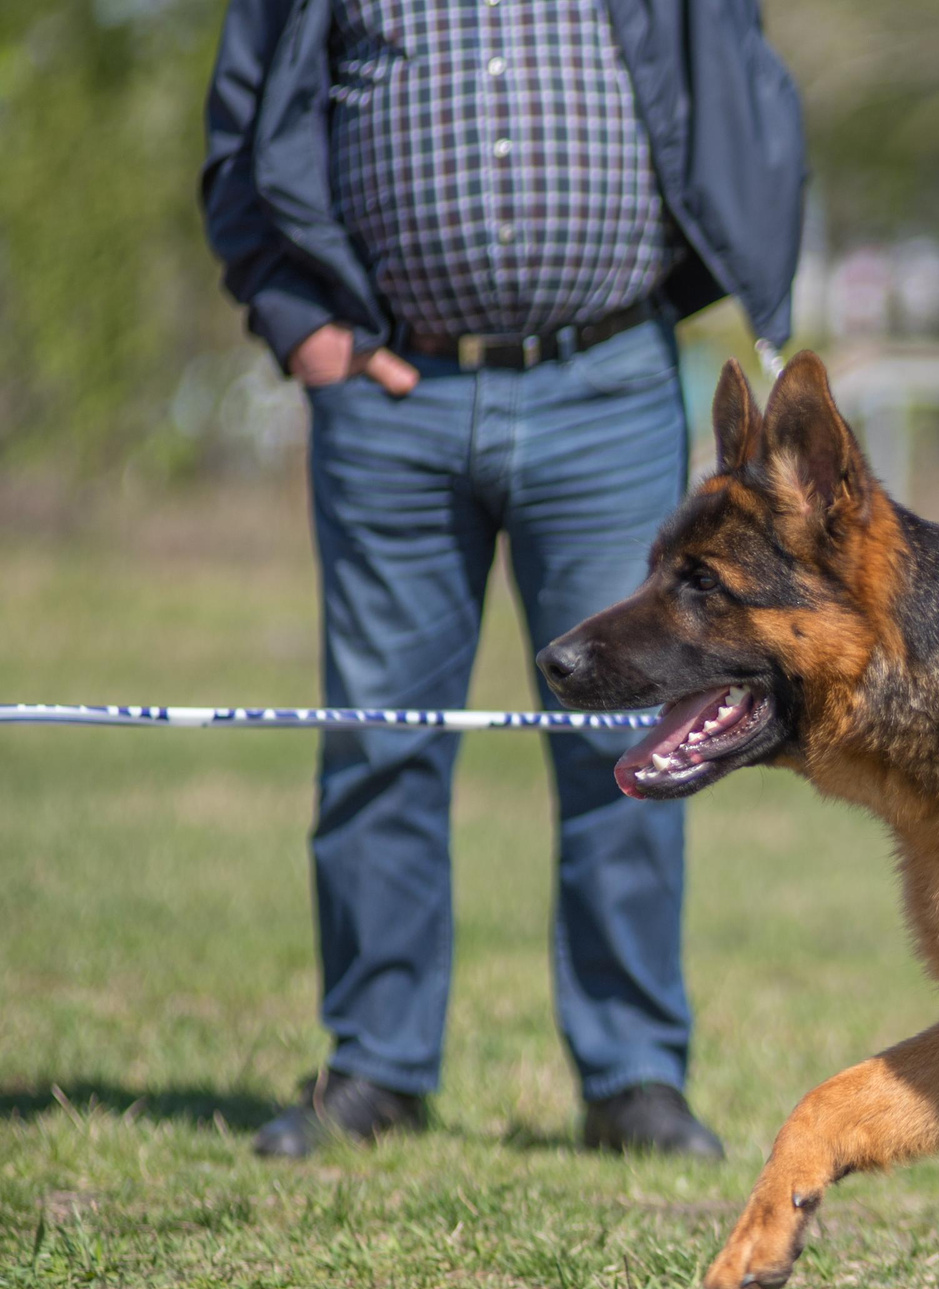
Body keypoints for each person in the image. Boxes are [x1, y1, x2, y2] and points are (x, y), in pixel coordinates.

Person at [201, 0, 806, 1159]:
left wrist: (704, 278)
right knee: (379, 736)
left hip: (609, 380)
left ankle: (634, 1075)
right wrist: (302, 329)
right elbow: (241, 135)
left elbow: (739, 88)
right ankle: (373, 1065)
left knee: (629, 739)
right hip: (388, 394)